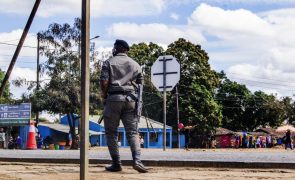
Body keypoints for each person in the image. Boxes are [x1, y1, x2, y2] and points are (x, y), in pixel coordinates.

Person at [100, 39, 148, 173]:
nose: (113, 49)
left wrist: (104, 96)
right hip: (131, 100)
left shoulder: (108, 62)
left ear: (118, 48)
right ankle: (137, 161)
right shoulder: (136, 64)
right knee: (133, 132)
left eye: (114, 47)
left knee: (111, 133)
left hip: (113, 99)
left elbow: (104, 82)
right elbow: (141, 86)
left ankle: (116, 163)